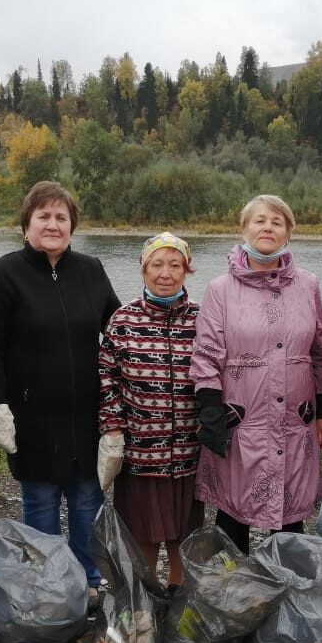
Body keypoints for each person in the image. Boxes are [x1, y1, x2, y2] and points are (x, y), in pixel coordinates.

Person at [0, 181, 120, 606]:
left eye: (61, 217)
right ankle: (45, 588)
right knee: (39, 504)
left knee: (85, 503)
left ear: (72, 226)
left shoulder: (91, 269)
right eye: (43, 216)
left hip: (85, 415)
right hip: (31, 416)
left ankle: (88, 584)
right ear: (26, 225)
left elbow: (117, 333)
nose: (53, 224)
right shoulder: (4, 273)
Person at [189, 195, 322, 553]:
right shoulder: (220, 289)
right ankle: (234, 594)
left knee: (289, 513)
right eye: (259, 221)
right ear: (244, 229)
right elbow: (206, 354)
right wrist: (210, 411)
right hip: (240, 418)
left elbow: (321, 351)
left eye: (277, 222)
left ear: (288, 234)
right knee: (233, 511)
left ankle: (285, 591)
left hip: (294, 419)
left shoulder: (308, 284)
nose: (268, 227)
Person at [97, 233, 202, 591]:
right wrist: (113, 427)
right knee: (142, 533)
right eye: (157, 264)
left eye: (175, 264)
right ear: (143, 269)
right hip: (141, 453)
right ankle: (143, 600)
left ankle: (177, 597)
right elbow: (106, 377)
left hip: (188, 453)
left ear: (187, 270)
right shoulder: (123, 320)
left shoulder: (202, 319)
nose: (165, 273)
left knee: (183, 535)